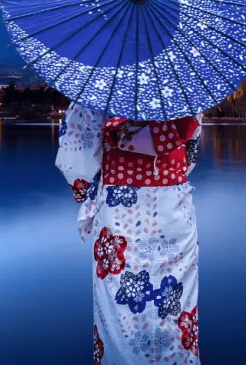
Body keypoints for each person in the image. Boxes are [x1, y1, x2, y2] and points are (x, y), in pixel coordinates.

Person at [56, 102, 202, 364]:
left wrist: (89, 190)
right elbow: (190, 152)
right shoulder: (182, 85)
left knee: (120, 313)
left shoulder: (101, 85)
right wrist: (163, 173)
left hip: (120, 211)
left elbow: (75, 155)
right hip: (174, 210)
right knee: (173, 307)